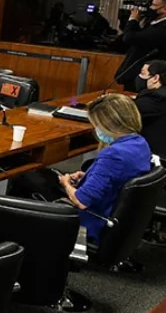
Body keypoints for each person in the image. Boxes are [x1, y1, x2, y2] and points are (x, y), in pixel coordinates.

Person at [58, 94, 151, 245]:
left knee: (32, 183)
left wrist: (66, 183)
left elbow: (81, 201)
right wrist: (89, 176)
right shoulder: (140, 143)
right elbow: (118, 176)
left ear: (109, 125)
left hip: (92, 220)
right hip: (116, 213)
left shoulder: (113, 154)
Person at [114, 0, 166, 90]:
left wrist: (133, 20)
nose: (150, 8)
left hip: (145, 77)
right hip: (136, 74)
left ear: (165, 9)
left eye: (154, 5)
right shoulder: (154, 24)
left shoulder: (164, 28)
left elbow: (129, 38)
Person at [134, 61, 166, 160]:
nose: (139, 77)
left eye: (143, 74)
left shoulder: (156, 97)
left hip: (154, 153)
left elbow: (127, 113)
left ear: (156, 78)